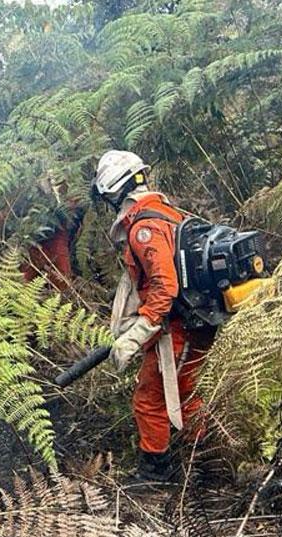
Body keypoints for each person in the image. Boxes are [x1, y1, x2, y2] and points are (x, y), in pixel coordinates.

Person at [92, 150, 214, 482]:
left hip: (177, 327)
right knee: (186, 392)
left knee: (150, 397)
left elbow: (164, 285)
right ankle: (204, 464)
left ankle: (157, 469)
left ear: (115, 191)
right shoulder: (164, 211)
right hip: (191, 322)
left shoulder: (143, 227)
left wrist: (138, 331)